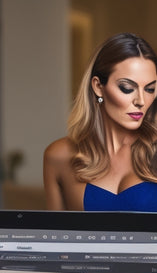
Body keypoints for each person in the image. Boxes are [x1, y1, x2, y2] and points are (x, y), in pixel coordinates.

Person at [43, 32, 157, 211]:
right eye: (127, 88)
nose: (141, 101)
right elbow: (53, 237)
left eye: (150, 89)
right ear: (98, 87)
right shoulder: (58, 156)